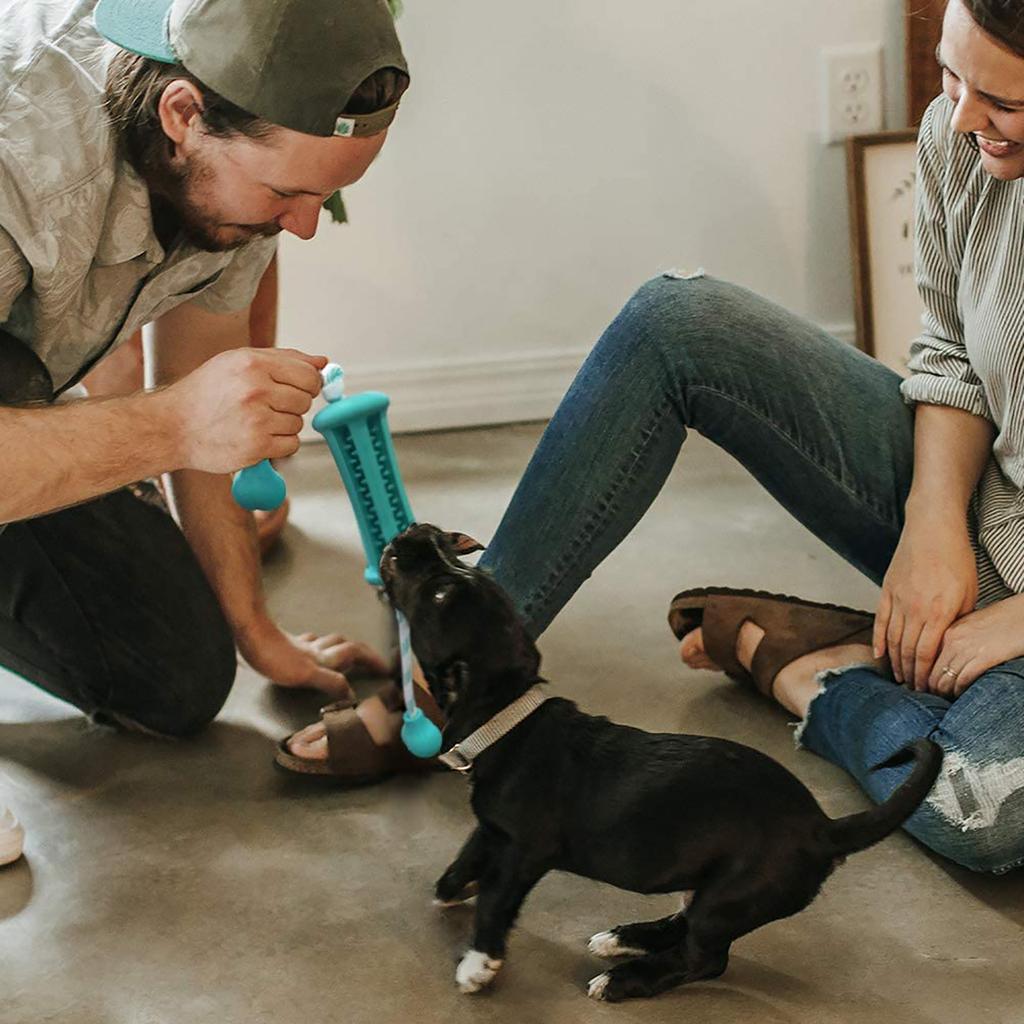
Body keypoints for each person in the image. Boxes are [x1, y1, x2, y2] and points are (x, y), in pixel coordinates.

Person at [286, 0, 1024, 872]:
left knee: (985, 816)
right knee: (680, 323)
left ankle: (804, 666)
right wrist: (934, 521)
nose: (959, 115)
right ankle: (453, 689)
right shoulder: (958, 133)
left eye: (1003, 102)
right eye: (949, 74)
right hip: (986, 500)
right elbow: (950, 354)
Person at [0, 0, 428, 821]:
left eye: (319, 197)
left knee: (174, 675)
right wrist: (168, 425)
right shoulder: (21, 151)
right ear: (183, 114)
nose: (303, 227)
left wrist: (257, 630)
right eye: (287, 194)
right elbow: (185, 420)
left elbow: (204, 379)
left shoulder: (238, 152)